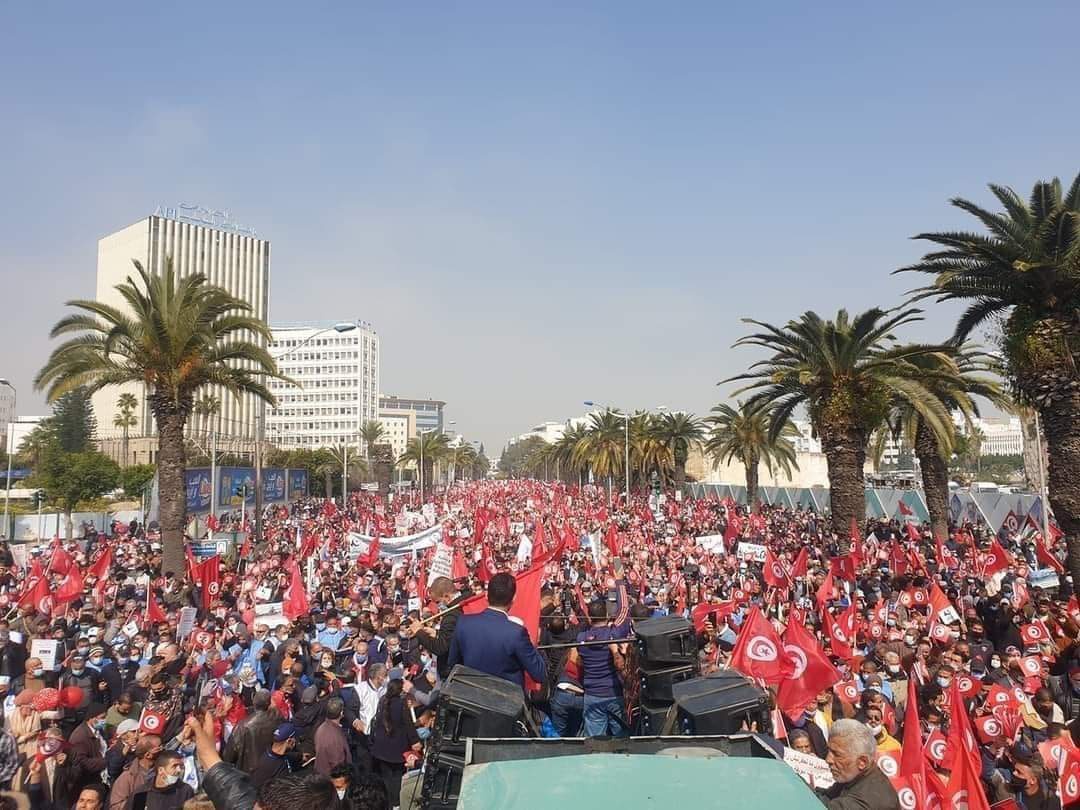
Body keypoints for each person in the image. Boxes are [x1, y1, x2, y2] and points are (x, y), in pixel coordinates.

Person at [447, 573, 546, 689]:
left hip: (470, 697)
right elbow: (539, 674)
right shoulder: (516, 633)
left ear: (486, 596)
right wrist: (533, 641)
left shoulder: (463, 623)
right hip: (504, 703)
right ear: (514, 598)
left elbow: (453, 664)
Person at [820, 719, 900, 810]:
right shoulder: (856, 774)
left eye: (837, 754)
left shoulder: (864, 803)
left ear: (862, 762)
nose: (828, 760)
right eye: (829, 750)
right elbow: (827, 794)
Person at [369, 675, 421, 806]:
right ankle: (397, 803)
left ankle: (388, 802)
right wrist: (415, 741)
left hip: (381, 748)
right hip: (397, 749)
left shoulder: (382, 700)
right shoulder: (401, 704)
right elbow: (409, 725)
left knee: (386, 777)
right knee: (398, 777)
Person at [402, 577, 465, 680]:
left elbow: (441, 648)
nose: (437, 606)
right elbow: (455, 636)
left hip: (454, 671)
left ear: (446, 596)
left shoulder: (451, 615)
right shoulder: (464, 604)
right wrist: (437, 633)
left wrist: (419, 632)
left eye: (438, 602)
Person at [221, 690, 278, 773]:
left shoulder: (243, 726)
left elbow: (229, 754)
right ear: (269, 704)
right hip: (271, 767)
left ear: (254, 703)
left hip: (249, 770)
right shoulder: (277, 720)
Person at [108, 736, 162, 810]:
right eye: (159, 748)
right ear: (148, 755)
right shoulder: (128, 777)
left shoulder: (163, 771)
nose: (162, 749)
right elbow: (116, 806)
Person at [126, 750, 193, 810]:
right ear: (161, 770)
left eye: (181, 766)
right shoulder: (142, 793)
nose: (179, 770)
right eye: (174, 766)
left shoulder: (185, 791)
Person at [66, 703, 108, 794]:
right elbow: (82, 762)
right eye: (102, 718)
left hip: (99, 775)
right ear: (92, 718)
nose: (105, 720)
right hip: (88, 782)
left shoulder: (98, 730)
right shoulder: (80, 737)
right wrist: (106, 761)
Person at [249, 723, 298, 789]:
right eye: (295, 738)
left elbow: (284, 756)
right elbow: (256, 788)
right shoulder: (266, 765)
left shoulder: (278, 754)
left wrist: (300, 756)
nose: (296, 741)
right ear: (289, 741)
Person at [313, 697, 351, 776]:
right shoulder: (335, 737)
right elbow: (337, 765)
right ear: (341, 713)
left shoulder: (321, 727)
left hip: (321, 775)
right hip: (332, 780)